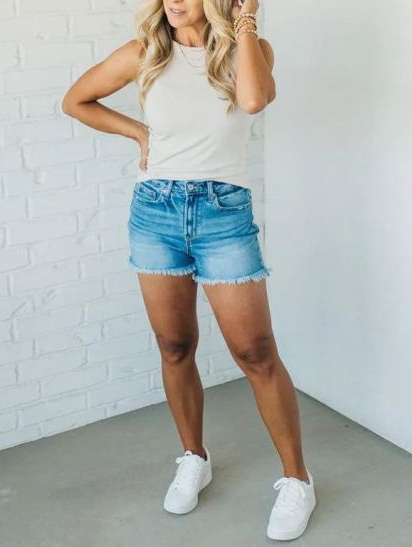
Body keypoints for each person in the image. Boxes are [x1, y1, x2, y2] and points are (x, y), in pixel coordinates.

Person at [61, 0, 316, 541]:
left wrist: (246, 19)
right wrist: (138, 133)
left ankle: (298, 479)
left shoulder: (251, 50)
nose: (174, 1)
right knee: (174, 346)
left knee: (255, 353)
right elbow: (76, 100)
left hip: (224, 215)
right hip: (155, 212)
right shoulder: (144, 53)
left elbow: (254, 100)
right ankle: (194, 458)